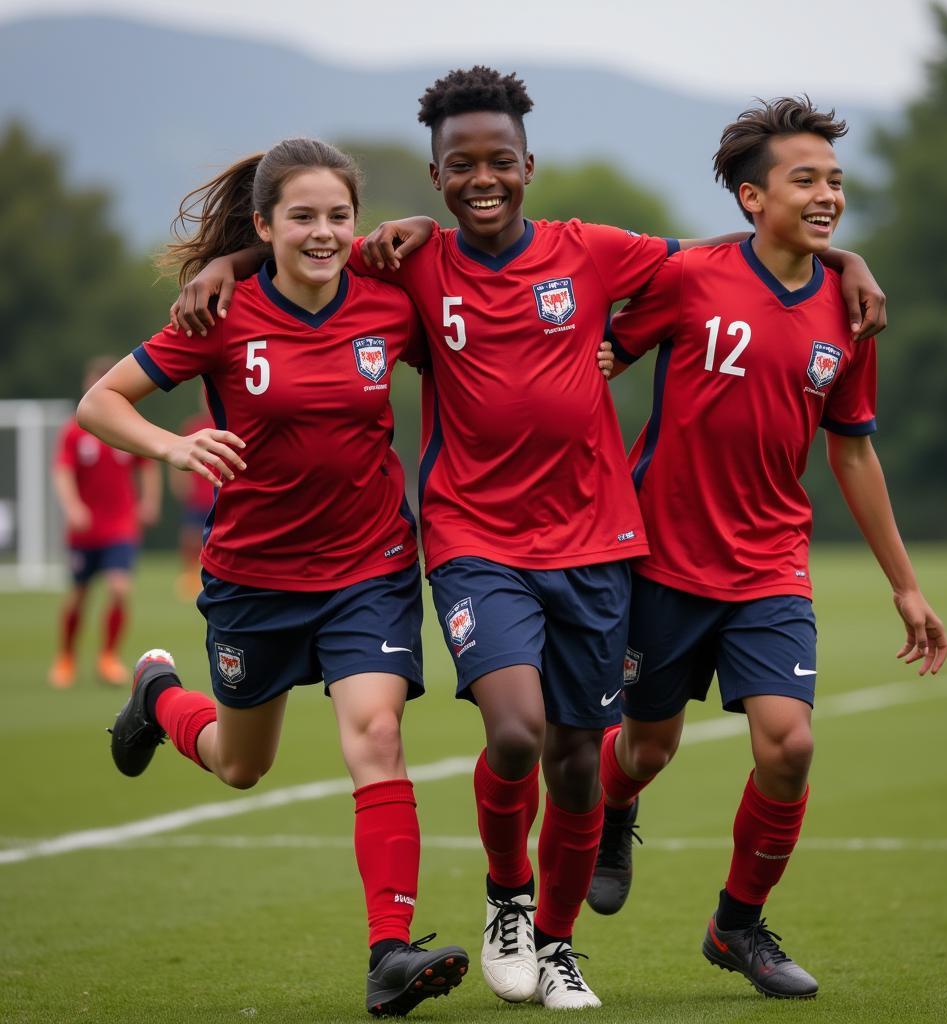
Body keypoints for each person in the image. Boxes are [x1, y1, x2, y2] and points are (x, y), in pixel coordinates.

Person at [170, 68, 887, 1011]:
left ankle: (555, 945)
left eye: (499, 160)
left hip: (594, 542)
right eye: (460, 163)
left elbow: (735, 255)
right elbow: (305, 264)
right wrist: (221, 267)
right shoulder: (409, 264)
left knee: (580, 759)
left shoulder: (594, 251)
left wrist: (844, 263)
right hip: (471, 537)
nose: (482, 177)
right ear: (433, 177)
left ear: (528, 166)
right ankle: (506, 903)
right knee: (514, 731)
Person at [76, 137, 468, 1018]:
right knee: (241, 765)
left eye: (339, 216)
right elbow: (100, 403)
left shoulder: (390, 304)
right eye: (302, 217)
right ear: (264, 225)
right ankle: (160, 699)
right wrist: (174, 444)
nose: (323, 233)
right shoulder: (222, 313)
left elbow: (468, 307)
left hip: (370, 568)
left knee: (377, 738)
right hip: (254, 577)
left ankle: (390, 953)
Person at [588, 97, 947, 999]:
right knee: (646, 749)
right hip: (661, 559)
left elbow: (854, 447)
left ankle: (737, 923)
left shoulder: (850, 306)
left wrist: (906, 587)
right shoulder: (688, 276)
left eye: (835, 179)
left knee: (788, 747)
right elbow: (592, 365)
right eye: (806, 179)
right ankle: (610, 811)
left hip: (770, 563)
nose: (829, 194)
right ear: (752, 198)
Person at [48, 356, 161, 688]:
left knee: (119, 588)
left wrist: (149, 500)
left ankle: (108, 657)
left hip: (120, 527)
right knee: (78, 595)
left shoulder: (125, 424)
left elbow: (149, 463)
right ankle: (66, 657)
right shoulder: (74, 431)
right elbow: (62, 471)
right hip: (84, 530)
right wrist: (72, 506)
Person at [169, 392, 216, 600]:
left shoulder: (231, 423)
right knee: (189, 538)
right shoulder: (194, 426)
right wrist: (179, 484)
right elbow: (177, 455)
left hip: (222, 495)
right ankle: (189, 578)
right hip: (198, 496)